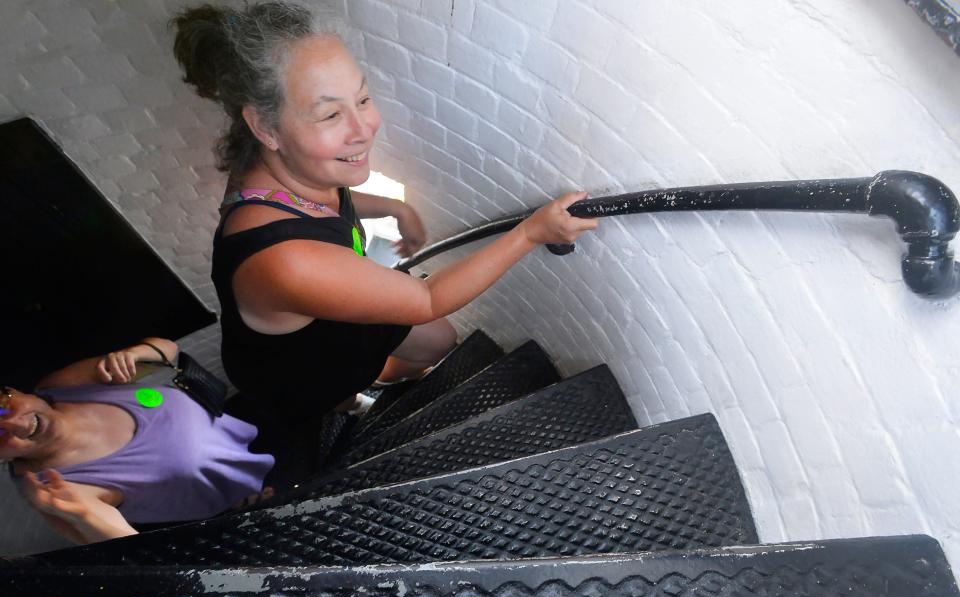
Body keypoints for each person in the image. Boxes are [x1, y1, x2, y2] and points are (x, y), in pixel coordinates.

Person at [170, 2, 598, 428]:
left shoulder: (295, 169)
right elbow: (427, 300)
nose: (364, 128)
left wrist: (395, 207)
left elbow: (318, 210)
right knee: (333, 393)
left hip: (331, 313)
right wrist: (530, 233)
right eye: (331, 114)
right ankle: (350, 401)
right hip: (297, 365)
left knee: (439, 342)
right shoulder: (284, 262)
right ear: (265, 128)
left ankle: (376, 384)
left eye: (363, 98)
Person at [1, 338, 274, 545]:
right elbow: (122, 545)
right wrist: (83, 517)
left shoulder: (60, 387)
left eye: (3, 408)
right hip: (251, 500)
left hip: (242, 425)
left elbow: (167, 349)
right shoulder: (52, 485)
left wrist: (135, 354)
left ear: (13, 391)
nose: (17, 424)